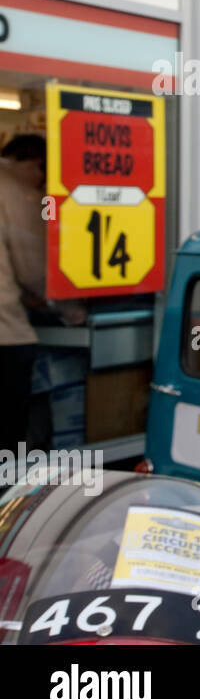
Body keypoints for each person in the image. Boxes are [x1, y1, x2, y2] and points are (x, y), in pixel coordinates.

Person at [0, 134, 48, 457]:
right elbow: (32, 268)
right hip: (6, 336)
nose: (43, 182)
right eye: (43, 171)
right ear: (31, 163)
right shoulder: (13, 190)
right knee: (8, 437)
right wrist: (63, 305)